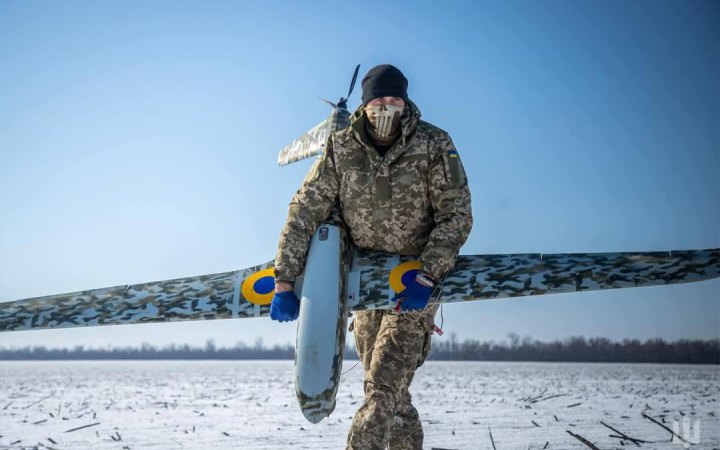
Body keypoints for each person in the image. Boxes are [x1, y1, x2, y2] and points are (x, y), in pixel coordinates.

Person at [270, 64, 473, 450]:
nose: (387, 107)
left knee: (382, 386)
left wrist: (428, 275)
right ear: (365, 105)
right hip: (363, 280)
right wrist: (284, 277)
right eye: (380, 99)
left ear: (406, 101)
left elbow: (456, 214)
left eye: (395, 99)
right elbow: (305, 210)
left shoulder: (433, 144)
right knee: (390, 393)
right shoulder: (341, 147)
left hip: (412, 281)